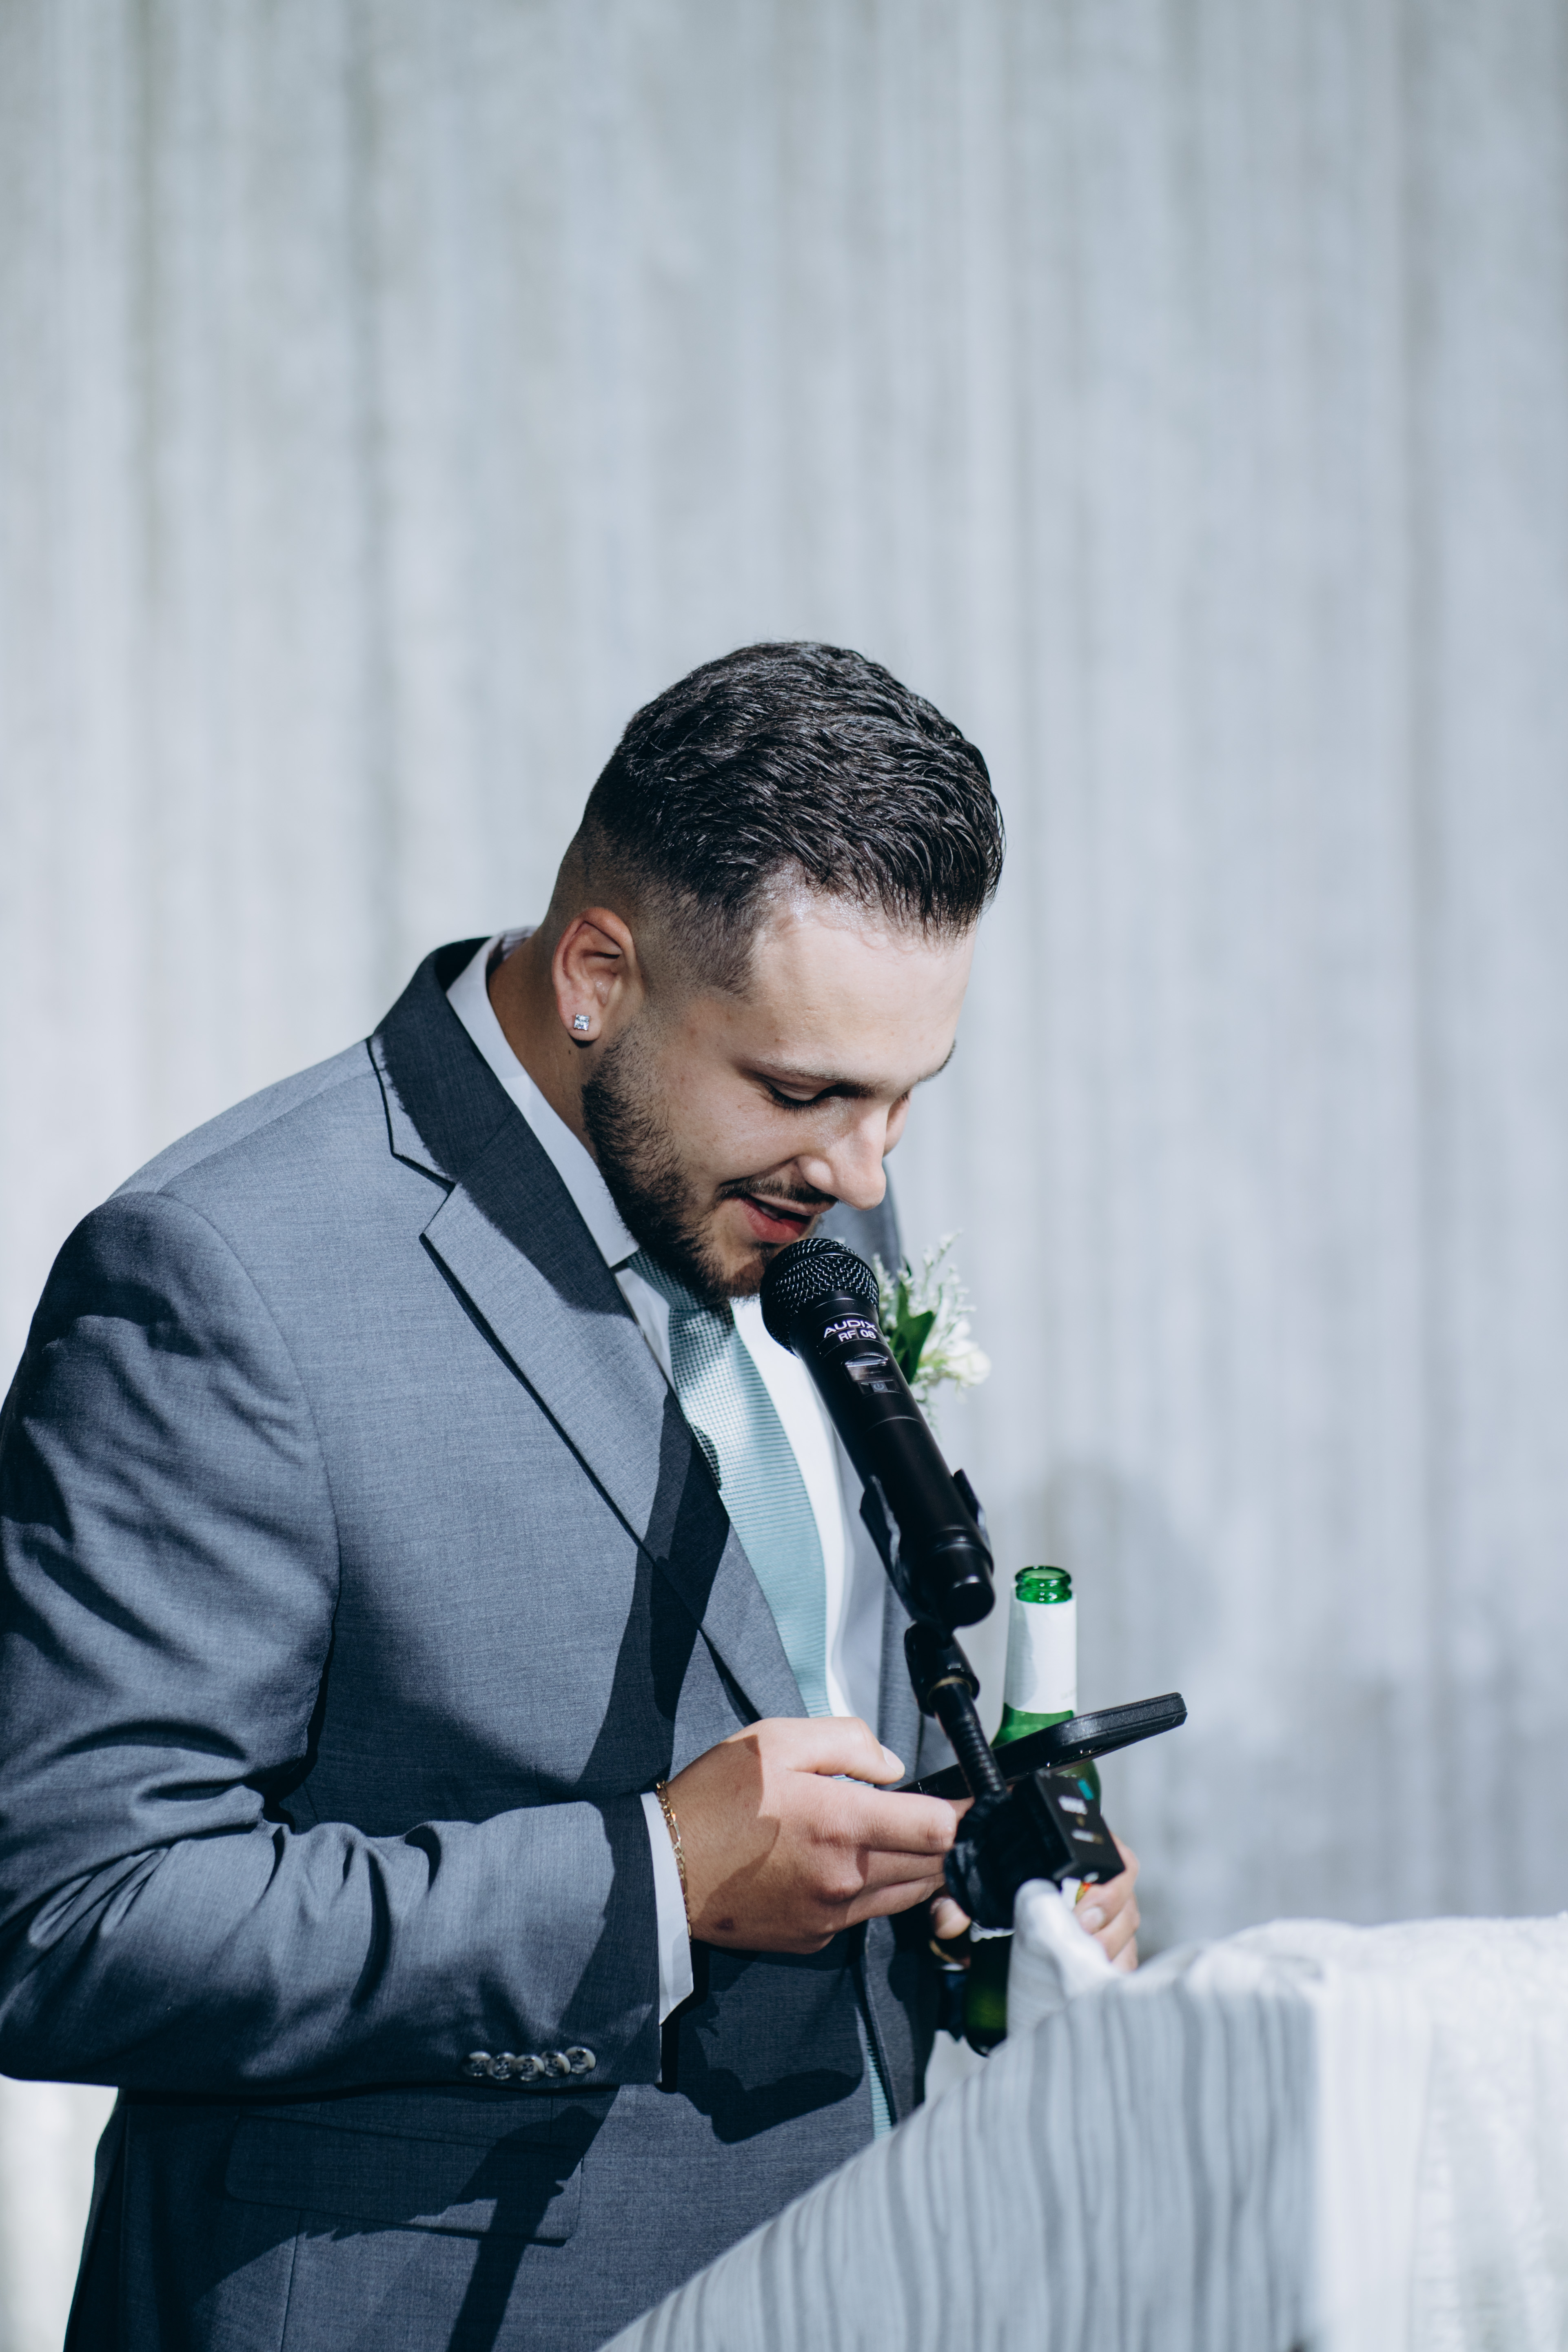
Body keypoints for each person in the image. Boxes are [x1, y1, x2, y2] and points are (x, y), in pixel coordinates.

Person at [0, 641, 1138, 2350]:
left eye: (906, 1098)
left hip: (866, 2262)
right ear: (600, 973)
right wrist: (650, 1882)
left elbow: (798, 1664)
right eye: (805, 1090)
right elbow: (66, 1919)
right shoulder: (221, 1273)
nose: (861, 1170)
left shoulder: (801, 1187)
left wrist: (980, 1863)